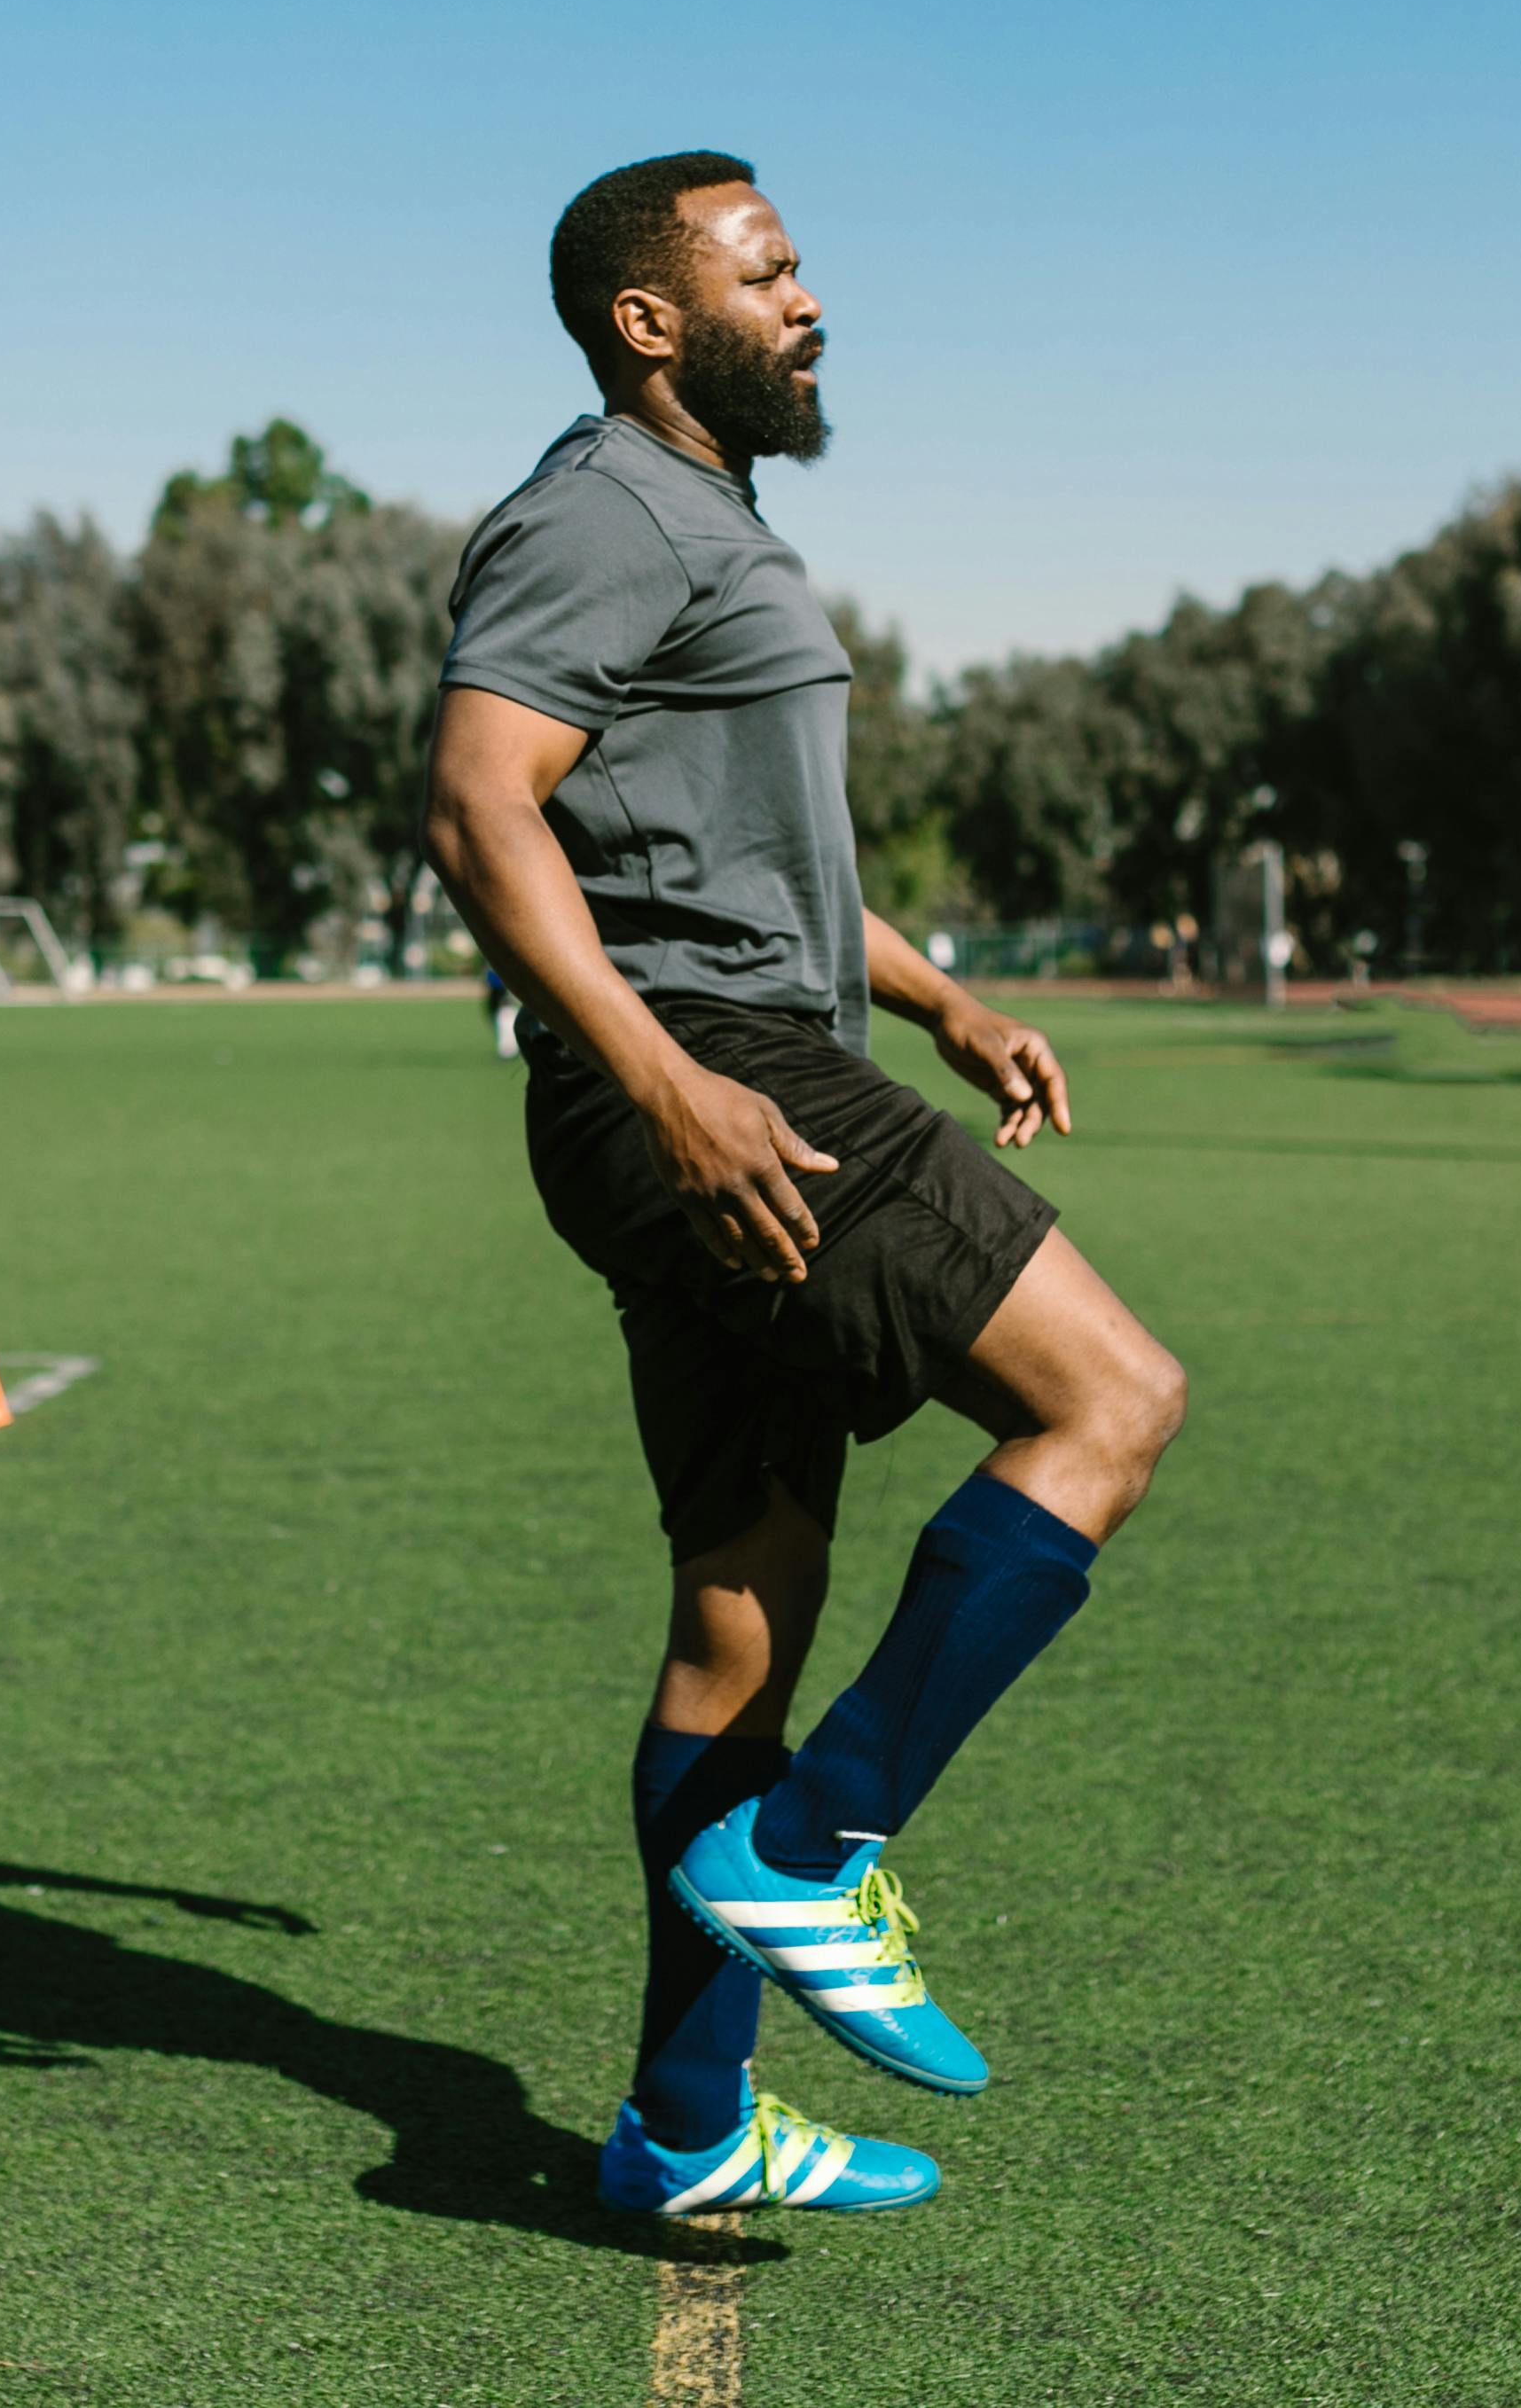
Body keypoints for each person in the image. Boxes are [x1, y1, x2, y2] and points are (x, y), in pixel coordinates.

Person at [424, 152, 1188, 2222]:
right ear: (648, 319)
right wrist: (667, 1080)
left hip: (741, 1066)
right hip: (716, 1088)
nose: (810, 297)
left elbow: (744, 860)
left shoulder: (711, 520)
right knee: (1110, 1400)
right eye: (766, 271)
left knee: (738, 1615)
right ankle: (821, 1843)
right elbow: (478, 807)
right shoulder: (603, 509)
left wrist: (932, 994)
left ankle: (684, 2123)